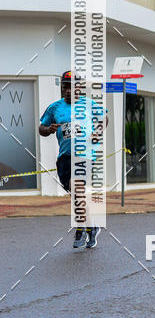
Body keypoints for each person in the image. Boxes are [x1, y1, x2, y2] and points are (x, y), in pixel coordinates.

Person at [39, 70, 107, 250]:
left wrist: (97, 132)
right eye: (65, 86)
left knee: (76, 187)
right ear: (62, 88)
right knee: (76, 193)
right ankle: (92, 226)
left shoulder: (89, 104)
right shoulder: (54, 108)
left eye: (73, 87)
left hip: (85, 155)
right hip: (64, 157)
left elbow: (104, 119)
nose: (69, 90)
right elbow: (41, 128)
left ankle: (80, 228)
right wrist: (49, 129)